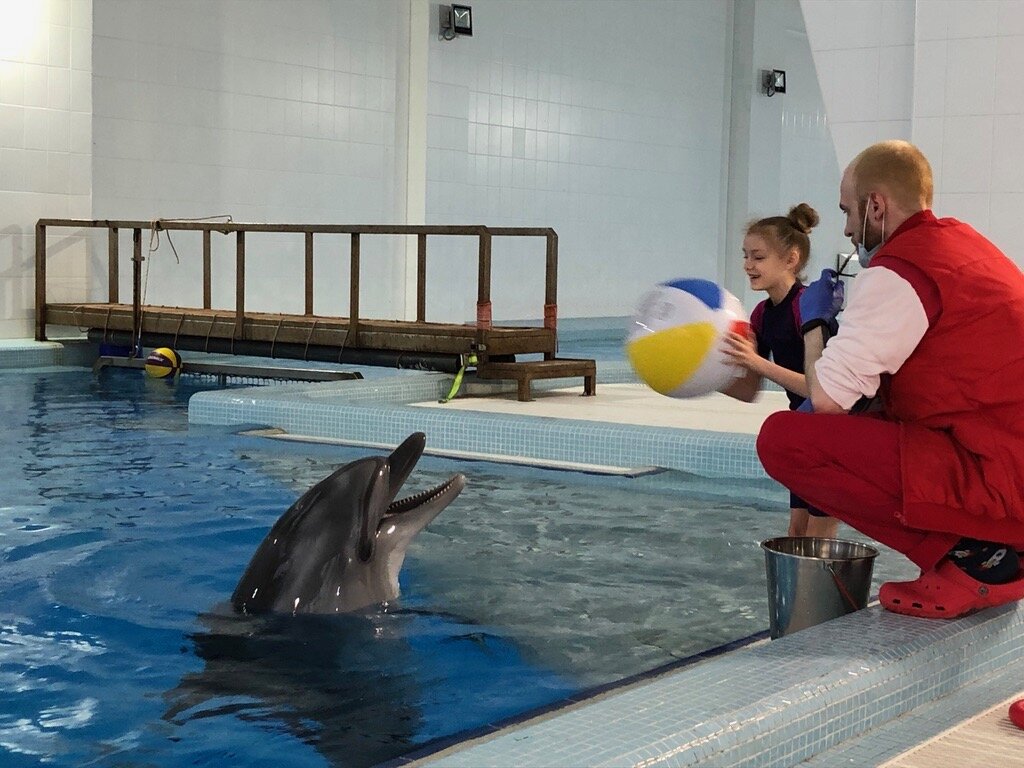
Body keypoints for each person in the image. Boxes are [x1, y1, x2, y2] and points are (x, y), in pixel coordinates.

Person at [757, 139, 1024, 619]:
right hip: (1003, 458)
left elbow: (827, 399)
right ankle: (994, 551)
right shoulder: (961, 244)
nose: (845, 229)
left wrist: (814, 323)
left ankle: (984, 561)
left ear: (874, 205)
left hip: (1005, 482)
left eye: (847, 212)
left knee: (785, 439)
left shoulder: (901, 269)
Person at [721, 203, 839, 540]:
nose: (747, 265)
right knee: (796, 531)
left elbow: (821, 392)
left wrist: (756, 361)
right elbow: (749, 390)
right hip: (802, 433)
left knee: (819, 534)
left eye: (758, 257)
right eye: (745, 256)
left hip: (831, 433)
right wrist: (697, 375)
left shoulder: (810, 308)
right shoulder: (761, 313)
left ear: (791, 259)